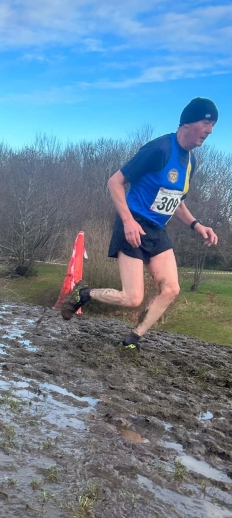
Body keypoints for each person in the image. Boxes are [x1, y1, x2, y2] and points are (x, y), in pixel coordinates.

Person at [61, 98, 219, 349]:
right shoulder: (158, 150)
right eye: (206, 123)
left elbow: (176, 201)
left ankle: (132, 338)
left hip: (157, 230)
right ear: (188, 122)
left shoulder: (191, 162)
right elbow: (115, 182)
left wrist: (196, 225)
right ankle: (85, 294)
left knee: (171, 289)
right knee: (132, 298)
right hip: (132, 225)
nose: (210, 130)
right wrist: (128, 222)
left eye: (213, 125)